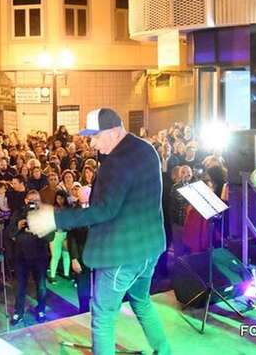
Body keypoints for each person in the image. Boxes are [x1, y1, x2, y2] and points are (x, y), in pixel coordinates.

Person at [28, 108, 170, 355]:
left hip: (122, 256)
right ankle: (164, 350)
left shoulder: (115, 163)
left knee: (103, 316)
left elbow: (104, 211)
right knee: (141, 301)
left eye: (95, 136)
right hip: (150, 249)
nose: (92, 143)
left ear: (114, 132)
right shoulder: (146, 149)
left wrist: (54, 218)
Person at [8, 190, 53, 325]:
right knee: (20, 286)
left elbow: (51, 236)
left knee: (41, 286)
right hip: (21, 256)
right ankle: (18, 312)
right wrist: (18, 226)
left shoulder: (44, 215)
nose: (33, 203)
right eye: (31, 201)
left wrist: (39, 228)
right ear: (26, 201)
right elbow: (9, 233)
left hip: (40, 257)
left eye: (36, 201)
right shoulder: (18, 214)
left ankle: (41, 310)